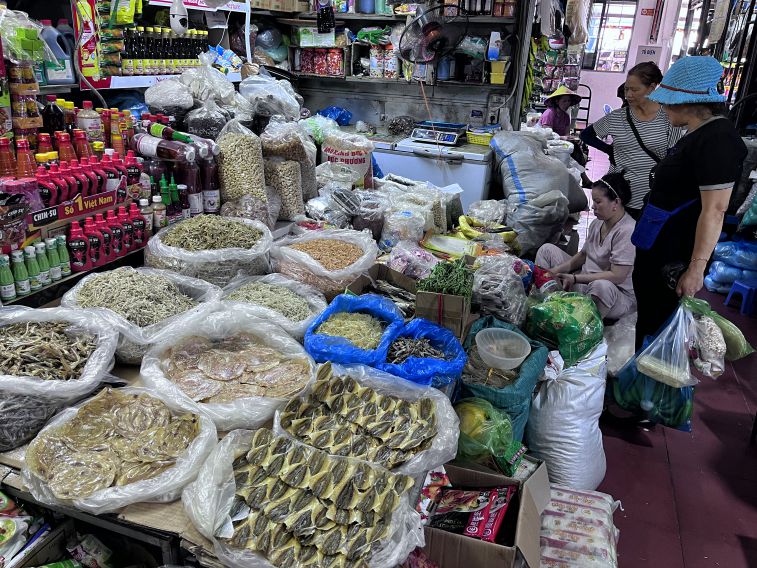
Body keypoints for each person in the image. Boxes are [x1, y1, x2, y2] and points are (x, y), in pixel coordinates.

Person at [632, 56, 748, 349]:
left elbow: (715, 209)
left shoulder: (719, 140)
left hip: (675, 252)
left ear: (688, 102)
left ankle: (652, 392)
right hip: (658, 243)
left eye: (669, 101)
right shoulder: (696, 133)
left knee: (661, 326)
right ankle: (639, 385)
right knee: (649, 320)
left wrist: (696, 268)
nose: (664, 106)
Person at [580, 62, 685, 220]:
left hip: (649, 194)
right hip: (618, 192)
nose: (628, 94)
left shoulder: (668, 117)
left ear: (651, 87)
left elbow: (672, 156)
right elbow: (586, 135)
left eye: (635, 90)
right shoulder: (617, 117)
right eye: (626, 89)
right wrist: (609, 150)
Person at [535, 172, 636, 320]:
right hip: (585, 283)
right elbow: (583, 256)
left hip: (613, 296)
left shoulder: (627, 230)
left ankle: (584, 325)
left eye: (598, 202)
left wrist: (575, 278)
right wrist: (553, 272)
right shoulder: (598, 223)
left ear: (616, 202)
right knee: (546, 250)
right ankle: (550, 305)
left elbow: (617, 276)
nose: (593, 207)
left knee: (601, 286)